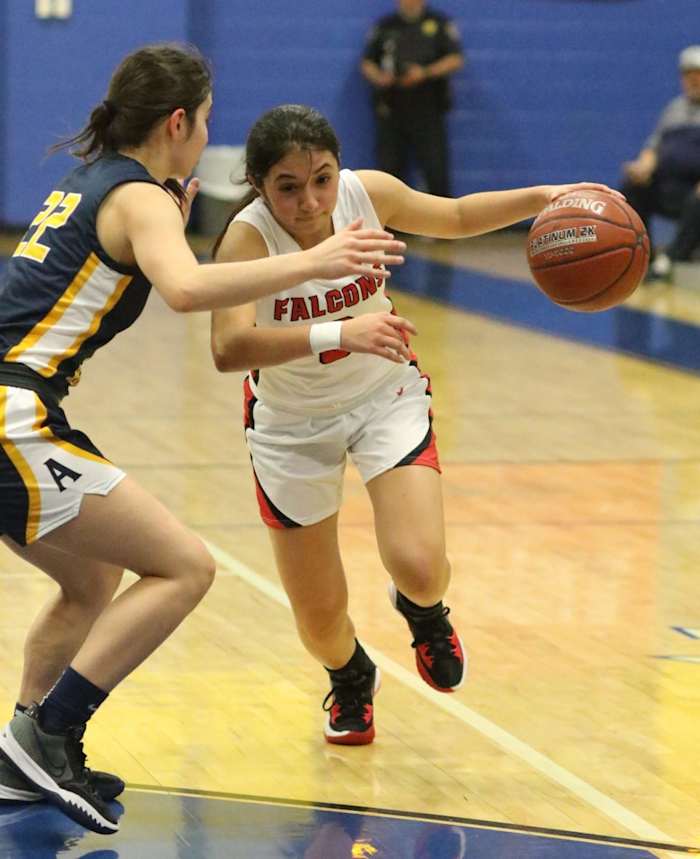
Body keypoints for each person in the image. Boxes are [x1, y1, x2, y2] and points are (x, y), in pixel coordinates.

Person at [0, 45, 406, 835]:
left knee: (92, 582)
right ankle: (49, 735)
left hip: (13, 410)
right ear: (179, 121)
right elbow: (187, 291)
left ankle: (20, 752)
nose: (206, 132)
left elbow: (142, 273)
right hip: (12, 415)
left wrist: (171, 233)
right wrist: (315, 260)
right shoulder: (137, 195)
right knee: (185, 566)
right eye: (207, 120)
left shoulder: (103, 185)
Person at [210, 103, 620, 746]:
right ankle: (350, 675)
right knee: (320, 618)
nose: (310, 200)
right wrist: (341, 331)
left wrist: (545, 197)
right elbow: (228, 349)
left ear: (338, 170)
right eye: (288, 186)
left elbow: (454, 217)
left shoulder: (364, 194)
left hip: (382, 396)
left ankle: (424, 613)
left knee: (420, 564)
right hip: (291, 426)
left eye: (321, 178)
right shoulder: (247, 239)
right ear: (260, 185)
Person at [360, 0, 464, 198]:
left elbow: (455, 59)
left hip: (428, 109)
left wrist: (424, 72)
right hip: (391, 109)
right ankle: (390, 225)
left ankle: (441, 224)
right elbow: (367, 63)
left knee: (435, 170)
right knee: (389, 169)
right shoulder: (385, 25)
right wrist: (381, 78)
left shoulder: (438, 23)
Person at [622, 44, 700, 282]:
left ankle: (671, 260)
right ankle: (643, 255)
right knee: (631, 186)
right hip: (669, 187)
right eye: (689, 75)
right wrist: (643, 165)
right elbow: (654, 147)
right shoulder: (673, 109)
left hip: (695, 192)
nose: (693, 81)